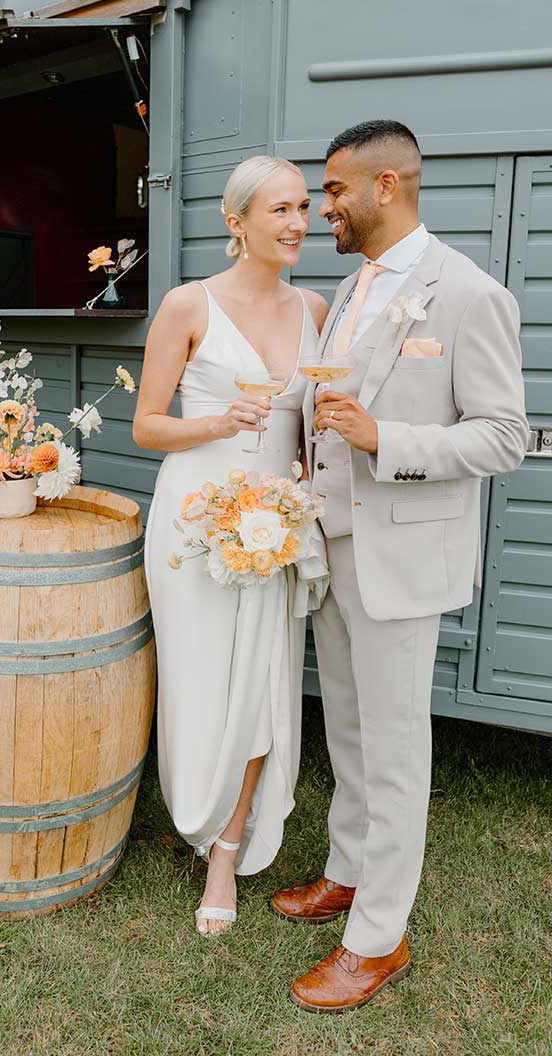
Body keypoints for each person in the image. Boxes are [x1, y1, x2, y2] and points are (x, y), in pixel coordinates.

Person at [271, 120, 529, 1011]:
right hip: (332, 549)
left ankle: (377, 939)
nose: (323, 207)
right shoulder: (348, 289)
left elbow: (505, 437)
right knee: (347, 728)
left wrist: (386, 439)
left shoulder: (467, 293)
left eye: (335, 189)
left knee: (394, 746)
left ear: (388, 185)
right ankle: (347, 872)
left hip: (405, 556)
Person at [134, 156, 329, 935]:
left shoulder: (317, 307)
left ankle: (228, 844)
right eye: (279, 209)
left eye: (304, 208)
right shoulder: (188, 306)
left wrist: (312, 480)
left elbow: (314, 426)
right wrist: (218, 422)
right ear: (236, 220)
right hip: (194, 519)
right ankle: (195, 800)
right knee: (202, 676)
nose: (296, 224)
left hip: (277, 521)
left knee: (263, 680)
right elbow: (148, 426)